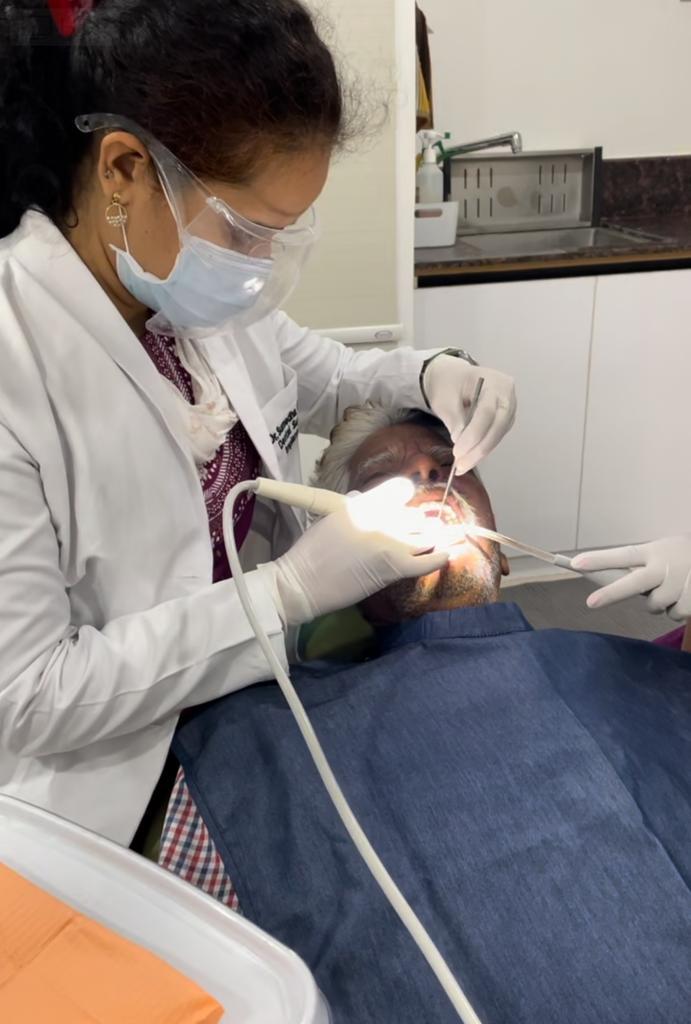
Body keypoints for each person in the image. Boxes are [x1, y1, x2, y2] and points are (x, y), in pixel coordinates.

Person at [0, 0, 517, 845]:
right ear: (125, 168)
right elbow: (29, 696)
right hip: (123, 780)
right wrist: (285, 592)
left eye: (282, 233)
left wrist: (433, 371)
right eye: (244, 231)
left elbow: (328, 376)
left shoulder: (192, 298)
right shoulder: (15, 358)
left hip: (272, 707)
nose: (258, 267)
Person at [170, 405, 691, 1024]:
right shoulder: (267, 734)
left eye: (447, 467)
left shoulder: (625, 673)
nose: (425, 472)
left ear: (502, 558)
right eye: (384, 479)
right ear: (346, 572)